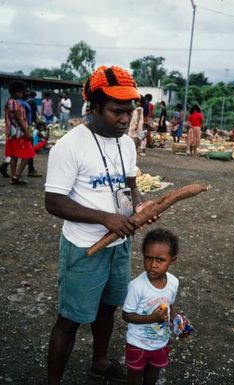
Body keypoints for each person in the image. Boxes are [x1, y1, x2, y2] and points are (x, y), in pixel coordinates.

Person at [45, 65, 157, 385]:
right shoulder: (70, 145)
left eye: (129, 111)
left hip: (119, 245)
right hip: (85, 248)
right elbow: (53, 202)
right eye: (116, 112)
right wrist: (104, 217)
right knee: (69, 320)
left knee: (108, 308)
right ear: (93, 108)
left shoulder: (126, 143)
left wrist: (140, 205)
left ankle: (100, 363)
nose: (124, 119)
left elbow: (131, 186)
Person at [122, 228, 179, 385]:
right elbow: (126, 315)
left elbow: (170, 304)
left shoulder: (173, 283)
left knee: (152, 375)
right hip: (137, 344)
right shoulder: (137, 286)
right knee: (134, 377)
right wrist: (151, 318)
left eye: (160, 260)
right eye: (148, 258)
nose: (153, 265)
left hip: (161, 343)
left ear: (172, 260)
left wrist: (177, 321)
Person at [4, 80, 35, 185]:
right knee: (29, 154)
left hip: (12, 134)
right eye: (20, 92)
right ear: (14, 92)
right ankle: (16, 175)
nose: (21, 94)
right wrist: (27, 132)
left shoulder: (10, 102)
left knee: (14, 156)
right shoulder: (13, 102)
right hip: (19, 134)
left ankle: (13, 177)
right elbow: (19, 119)